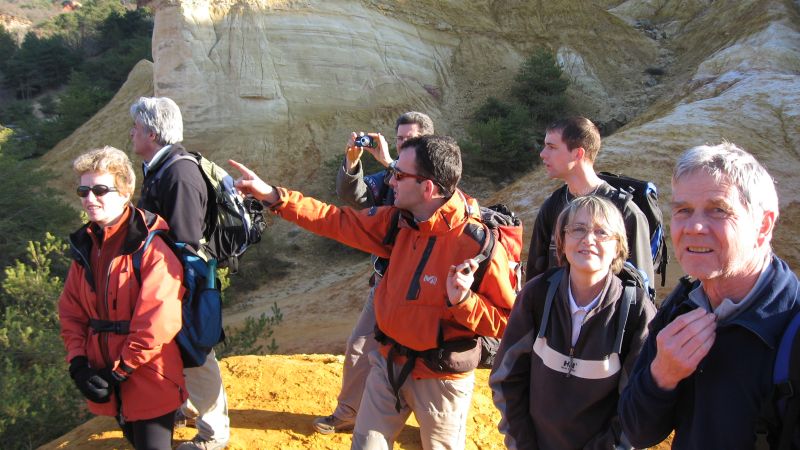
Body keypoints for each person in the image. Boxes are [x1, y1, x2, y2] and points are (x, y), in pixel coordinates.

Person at [230, 135, 516, 449]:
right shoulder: (397, 223)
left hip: (441, 381)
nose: (390, 181)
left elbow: (506, 322)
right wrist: (274, 196)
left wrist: (464, 302)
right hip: (387, 364)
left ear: (427, 188)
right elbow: (334, 220)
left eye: (399, 174)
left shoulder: (477, 245)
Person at [618, 142, 800, 448]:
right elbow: (637, 431)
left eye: (718, 210)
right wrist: (662, 375)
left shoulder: (791, 331)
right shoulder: (682, 306)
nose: (695, 227)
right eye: (683, 210)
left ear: (763, 225)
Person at [490, 195, 656, 449]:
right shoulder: (537, 295)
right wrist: (523, 444)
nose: (588, 239)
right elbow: (507, 379)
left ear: (618, 247)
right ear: (562, 240)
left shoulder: (636, 312)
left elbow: (634, 410)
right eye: (578, 229)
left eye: (602, 232)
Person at [314, 111, 435, 434]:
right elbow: (353, 197)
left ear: (427, 142)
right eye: (399, 139)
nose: (402, 145)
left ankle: (432, 428)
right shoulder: (388, 178)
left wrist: (390, 162)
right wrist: (352, 163)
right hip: (386, 282)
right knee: (359, 346)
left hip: (425, 290)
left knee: (426, 359)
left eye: (410, 140)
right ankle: (348, 413)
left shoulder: (437, 178)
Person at [58, 146, 186, 449]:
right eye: (83, 191)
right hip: (104, 375)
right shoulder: (87, 245)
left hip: (150, 375)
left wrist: (118, 371)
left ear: (126, 191)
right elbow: (71, 312)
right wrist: (78, 364)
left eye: (100, 190)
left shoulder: (151, 247)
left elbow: (158, 323)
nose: (90, 198)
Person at [130, 96, 229, 450]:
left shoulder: (178, 173)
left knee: (196, 350)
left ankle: (214, 433)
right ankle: (186, 405)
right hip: (172, 277)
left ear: (152, 134)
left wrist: (172, 291)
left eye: (136, 128)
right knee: (175, 346)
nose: (131, 134)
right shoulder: (162, 168)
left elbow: (184, 242)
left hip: (185, 279)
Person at [525, 116, 654, 287]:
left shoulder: (625, 210)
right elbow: (535, 278)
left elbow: (641, 285)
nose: (543, 154)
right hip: (557, 304)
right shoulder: (552, 205)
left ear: (578, 153)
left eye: (552, 147)